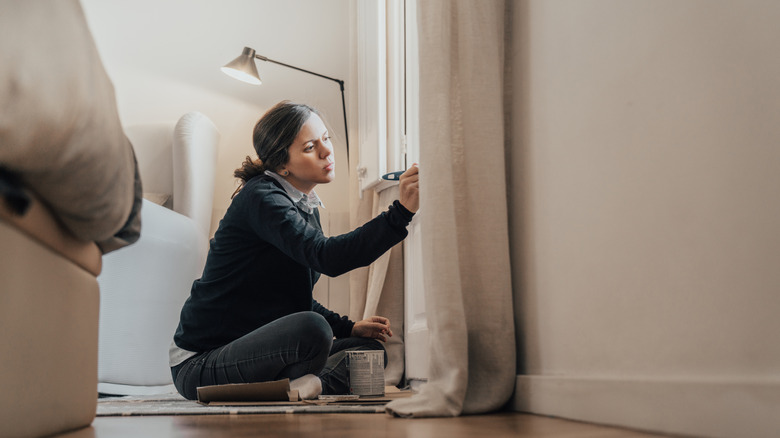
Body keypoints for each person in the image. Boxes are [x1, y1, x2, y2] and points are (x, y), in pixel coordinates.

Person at [169, 101, 420, 400]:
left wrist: (350, 327)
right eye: (311, 147)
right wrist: (400, 213)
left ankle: (305, 387)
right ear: (282, 164)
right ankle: (295, 385)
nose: (327, 151)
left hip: (252, 351)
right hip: (200, 363)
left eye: (325, 139)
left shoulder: (304, 206)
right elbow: (328, 257)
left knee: (368, 352)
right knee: (312, 331)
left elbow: (291, 298)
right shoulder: (262, 199)